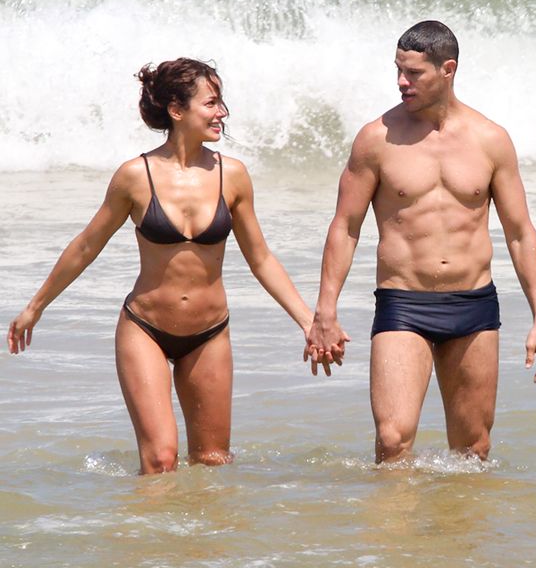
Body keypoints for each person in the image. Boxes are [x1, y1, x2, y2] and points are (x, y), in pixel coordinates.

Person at [8, 57, 325, 474]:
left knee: (213, 462)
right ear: (177, 111)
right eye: (211, 103)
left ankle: (196, 542)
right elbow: (86, 246)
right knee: (160, 458)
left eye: (222, 102)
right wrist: (36, 306)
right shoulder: (135, 176)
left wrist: (308, 321)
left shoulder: (233, 175)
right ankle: (146, 536)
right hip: (146, 329)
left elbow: (261, 258)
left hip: (209, 333)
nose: (222, 113)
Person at [306, 21, 536, 462]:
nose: (402, 82)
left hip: (474, 305)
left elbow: (520, 233)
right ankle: (394, 532)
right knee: (392, 439)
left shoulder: (490, 140)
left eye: (414, 73)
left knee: (473, 448)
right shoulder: (376, 139)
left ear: (448, 70)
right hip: (405, 303)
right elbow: (345, 226)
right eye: (398, 71)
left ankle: (456, 533)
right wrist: (325, 309)